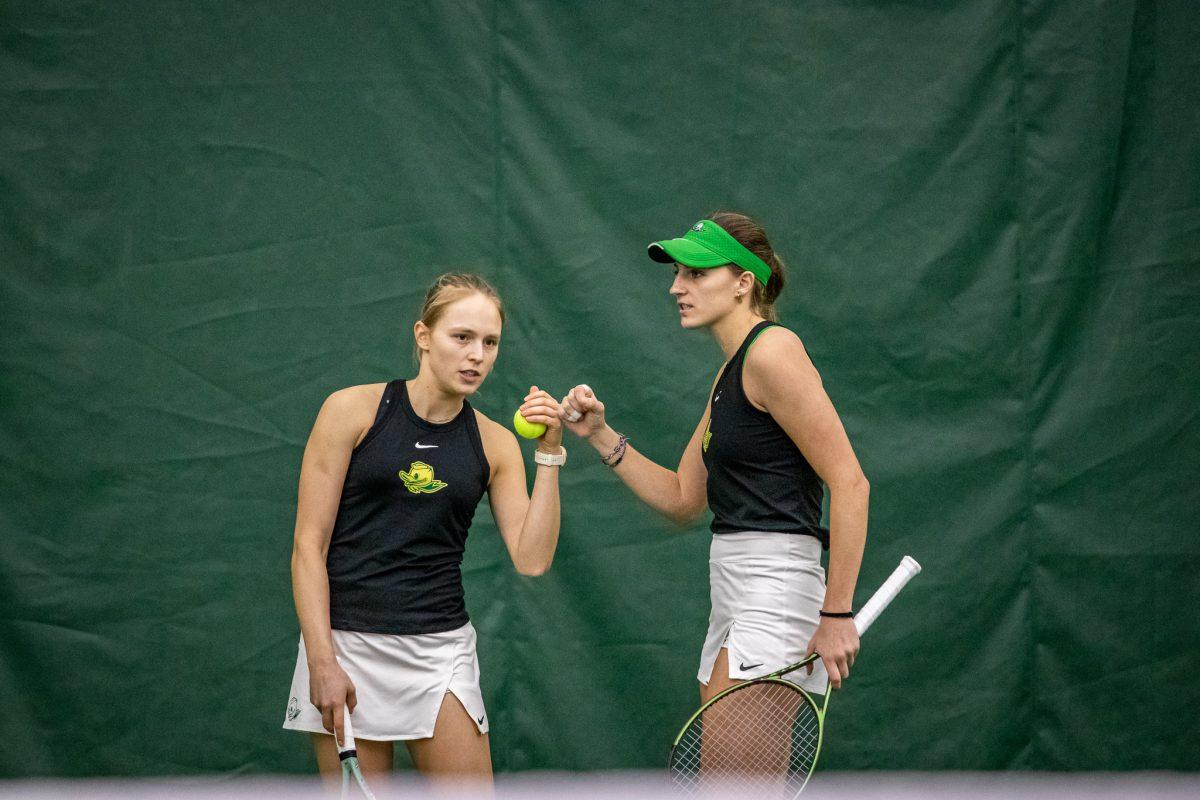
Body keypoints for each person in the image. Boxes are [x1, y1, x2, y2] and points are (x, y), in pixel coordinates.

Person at [560, 212, 869, 705]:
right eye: (677, 274)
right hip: (733, 590)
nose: (677, 287)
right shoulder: (733, 370)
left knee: (733, 782)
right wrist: (599, 434)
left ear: (744, 283)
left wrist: (836, 615)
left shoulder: (774, 353)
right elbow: (684, 498)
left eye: (696, 273)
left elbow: (851, 484)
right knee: (728, 783)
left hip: (775, 590)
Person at [283, 272, 567, 788]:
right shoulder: (349, 411)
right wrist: (322, 661)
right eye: (462, 337)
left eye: (489, 342)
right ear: (423, 337)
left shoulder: (497, 444)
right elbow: (308, 546)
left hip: (441, 654)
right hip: (344, 646)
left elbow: (533, 558)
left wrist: (549, 452)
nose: (476, 355)